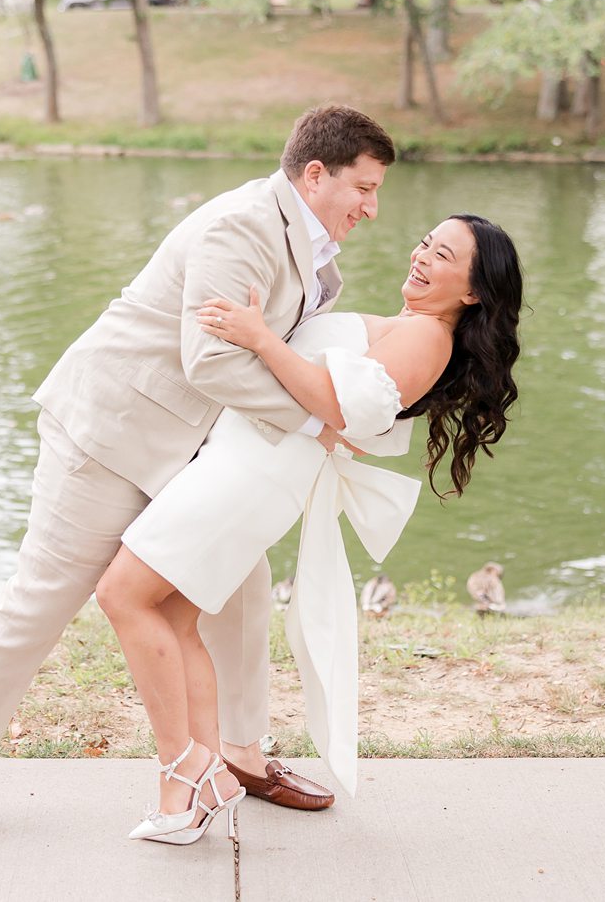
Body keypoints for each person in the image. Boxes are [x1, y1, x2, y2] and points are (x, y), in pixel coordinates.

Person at [0, 105, 397, 860]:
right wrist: (315, 424)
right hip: (109, 435)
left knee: (243, 592)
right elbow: (212, 361)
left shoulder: (315, 247)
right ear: (315, 174)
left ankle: (242, 755)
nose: (371, 205)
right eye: (363, 186)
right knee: (40, 602)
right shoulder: (243, 228)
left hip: (192, 453)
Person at [97, 213, 523, 845]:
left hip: (251, 475)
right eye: (425, 241)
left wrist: (260, 338)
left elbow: (339, 405)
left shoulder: (429, 339)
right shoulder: (411, 327)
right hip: (246, 463)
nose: (423, 255)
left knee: (122, 596)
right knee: (179, 622)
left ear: (473, 291)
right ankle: (193, 794)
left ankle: (186, 771)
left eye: (444, 254)